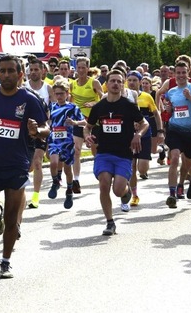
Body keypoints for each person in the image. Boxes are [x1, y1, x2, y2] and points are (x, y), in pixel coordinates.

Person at [0, 54, 49, 279]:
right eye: (2, 71)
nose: (5, 75)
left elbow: (46, 128)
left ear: (20, 74)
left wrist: (37, 131)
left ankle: (5, 261)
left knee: (13, 219)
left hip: (17, 165)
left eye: (10, 71)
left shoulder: (30, 99)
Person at [85, 69, 147, 235]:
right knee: (104, 184)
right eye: (112, 81)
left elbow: (145, 123)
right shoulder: (99, 107)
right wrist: (87, 136)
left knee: (118, 190)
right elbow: (88, 126)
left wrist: (138, 135)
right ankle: (110, 222)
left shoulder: (128, 106)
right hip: (103, 153)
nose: (116, 84)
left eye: (119, 81)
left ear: (123, 84)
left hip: (123, 154)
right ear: (107, 84)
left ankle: (126, 192)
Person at [163, 61, 191, 208]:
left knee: (188, 163)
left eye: (183, 72)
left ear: (188, 72)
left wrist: (190, 97)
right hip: (175, 130)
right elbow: (171, 109)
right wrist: (168, 109)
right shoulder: (171, 91)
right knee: (174, 158)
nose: (180, 76)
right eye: (178, 73)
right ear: (175, 74)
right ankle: (172, 194)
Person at [47, 78, 85, 209]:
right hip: (54, 139)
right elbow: (47, 120)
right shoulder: (51, 106)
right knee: (53, 163)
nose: (59, 96)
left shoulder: (73, 107)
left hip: (67, 141)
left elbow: (84, 121)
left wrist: (75, 123)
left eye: (61, 94)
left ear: (67, 93)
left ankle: (69, 190)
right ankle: (55, 182)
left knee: (68, 170)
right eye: (56, 94)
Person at [69, 57, 104, 193]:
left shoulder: (94, 83)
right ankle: (76, 180)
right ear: (76, 68)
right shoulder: (73, 84)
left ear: (88, 69)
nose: (81, 70)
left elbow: (104, 97)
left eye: (84, 67)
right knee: (77, 150)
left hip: (93, 121)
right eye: (79, 67)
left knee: (95, 150)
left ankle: (99, 170)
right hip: (78, 121)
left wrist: (94, 104)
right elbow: (71, 101)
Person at [129, 71, 163, 207]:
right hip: (129, 136)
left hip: (145, 134)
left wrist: (160, 131)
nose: (131, 83)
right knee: (131, 167)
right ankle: (134, 194)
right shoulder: (123, 97)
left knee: (142, 169)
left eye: (134, 80)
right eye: (129, 80)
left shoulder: (146, 97)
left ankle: (160, 150)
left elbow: (156, 114)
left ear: (139, 82)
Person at [23, 58, 52, 208]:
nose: (33, 72)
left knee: (37, 162)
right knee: (28, 166)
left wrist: (49, 130)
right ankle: (21, 193)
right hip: (26, 131)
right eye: (31, 70)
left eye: (36, 69)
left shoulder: (48, 89)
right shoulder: (24, 87)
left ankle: (35, 196)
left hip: (41, 129)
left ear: (43, 71)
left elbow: (52, 112)